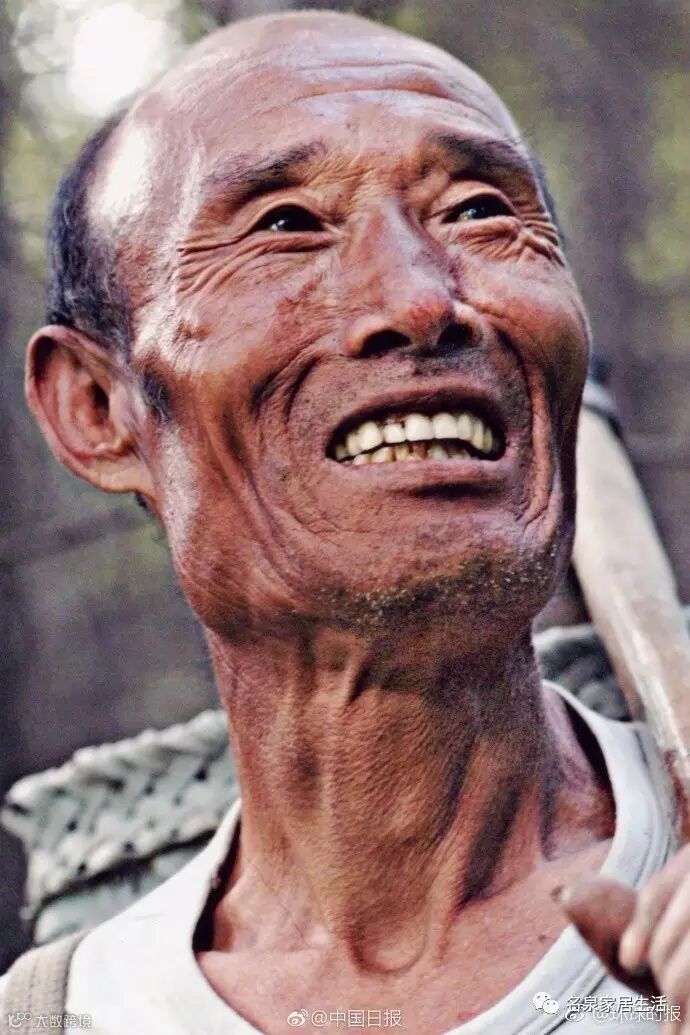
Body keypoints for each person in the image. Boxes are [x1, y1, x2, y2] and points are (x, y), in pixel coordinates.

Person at [2, 10, 690, 1035]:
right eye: (286, 226)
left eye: (477, 210)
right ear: (98, 408)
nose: (420, 301)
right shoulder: (67, 1016)